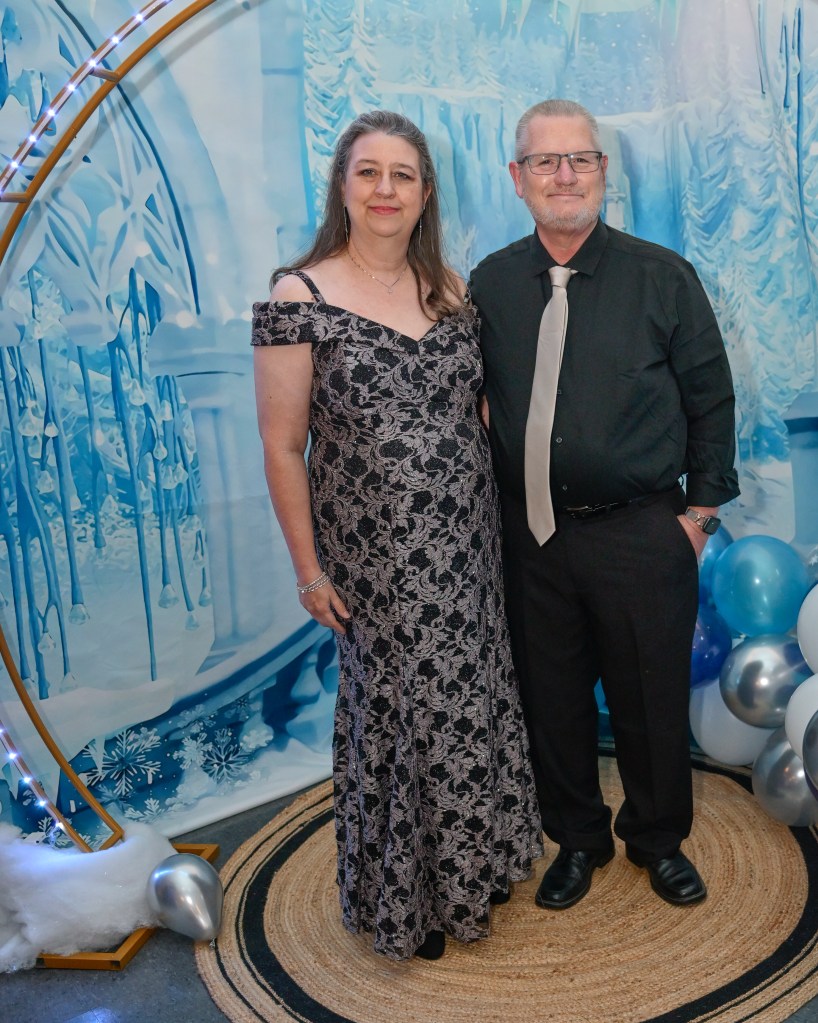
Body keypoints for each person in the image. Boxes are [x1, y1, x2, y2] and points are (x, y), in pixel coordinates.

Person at [252, 110, 542, 961]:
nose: (386, 189)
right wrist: (310, 571)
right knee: (405, 709)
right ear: (342, 187)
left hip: (467, 544)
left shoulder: (448, 288)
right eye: (369, 172)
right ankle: (412, 897)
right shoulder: (298, 296)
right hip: (375, 557)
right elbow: (281, 444)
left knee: (471, 694)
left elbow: (476, 411)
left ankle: (476, 867)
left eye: (403, 174)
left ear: (425, 193)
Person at [470, 98, 740, 912]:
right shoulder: (490, 284)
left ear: (602, 171)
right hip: (531, 538)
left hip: (641, 532)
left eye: (580, 159)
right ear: (518, 177)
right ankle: (577, 840)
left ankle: (658, 840)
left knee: (650, 700)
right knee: (551, 702)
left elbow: (711, 400)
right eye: (545, 161)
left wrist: (698, 518)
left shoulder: (663, 276)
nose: (565, 175)